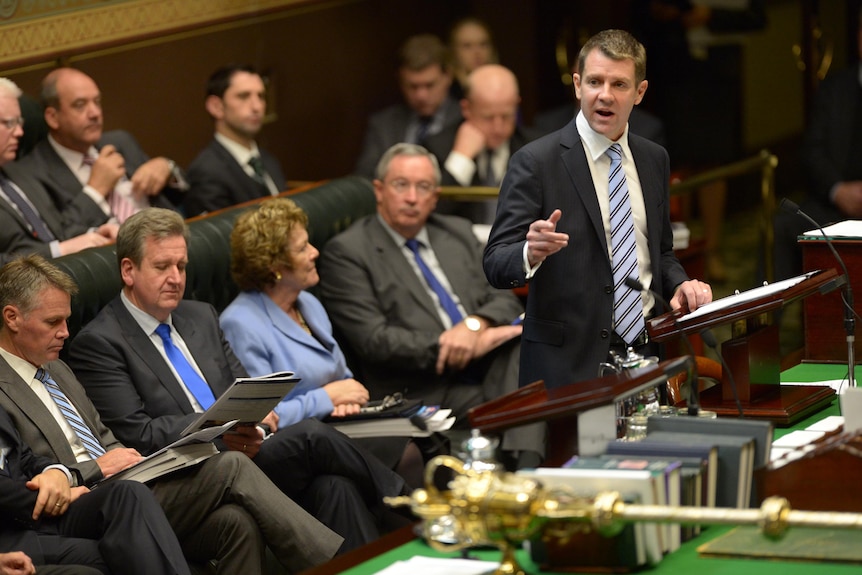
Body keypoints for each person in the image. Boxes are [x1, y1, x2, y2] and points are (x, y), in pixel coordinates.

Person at [66, 208, 411, 552]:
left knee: (335, 487)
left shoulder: (199, 315)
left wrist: (258, 421)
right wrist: (220, 428)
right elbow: (137, 435)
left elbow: (246, 389)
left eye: (181, 266)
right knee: (310, 436)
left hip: (248, 449)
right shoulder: (101, 342)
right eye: (162, 267)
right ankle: (411, 505)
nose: (176, 278)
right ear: (128, 270)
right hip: (190, 473)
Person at [0, 254, 342, 573]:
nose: (65, 332)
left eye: (67, 320)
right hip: (81, 502)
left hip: (129, 482)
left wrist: (131, 460)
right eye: (53, 322)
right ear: (12, 317)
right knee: (230, 464)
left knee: (235, 522)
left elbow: (104, 438)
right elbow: (26, 473)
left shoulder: (56, 367)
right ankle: (341, 564)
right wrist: (92, 469)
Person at [482, 29, 712, 391]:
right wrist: (530, 252)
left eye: (619, 84)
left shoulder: (654, 159)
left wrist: (681, 283)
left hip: (646, 356)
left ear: (639, 93)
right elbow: (495, 263)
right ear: (577, 85)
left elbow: (660, 252)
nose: (604, 95)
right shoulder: (535, 162)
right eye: (594, 81)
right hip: (568, 368)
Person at [319, 143, 543, 469]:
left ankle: (525, 466)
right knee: (534, 385)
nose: (412, 197)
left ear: (434, 196)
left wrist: (474, 327)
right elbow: (375, 340)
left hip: (489, 364)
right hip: (424, 384)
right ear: (379, 190)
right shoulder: (348, 252)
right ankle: (527, 467)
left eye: (422, 187)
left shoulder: (455, 232)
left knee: (530, 350)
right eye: (401, 185)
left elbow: (501, 296)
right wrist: (452, 343)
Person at [220, 197, 426, 488]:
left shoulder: (308, 302)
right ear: (275, 266)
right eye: (303, 248)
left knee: (425, 434)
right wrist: (327, 398)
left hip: (338, 424)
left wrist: (344, 398)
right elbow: (266, 418)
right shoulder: (241, 323)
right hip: (294, 444)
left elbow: (342, 377)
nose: (315, 252)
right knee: (406, 455)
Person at [0, 403, 190, 575]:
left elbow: (22, 455)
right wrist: (60, 495)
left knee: (127, 494)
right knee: (114, 556)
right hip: (12, 532)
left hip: (42, 508)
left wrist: (56, 473)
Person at [17, 67, 184, 228]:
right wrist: (95, 191)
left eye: (97, 102)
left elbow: (182, 197)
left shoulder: (121, 142)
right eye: (80, 104)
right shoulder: (33, 173)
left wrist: (167, 169)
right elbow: (60, 237)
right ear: (53, 117)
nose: (95, 113)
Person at [774, 6, 862, 281]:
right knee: (783, 225)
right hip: (834, 203)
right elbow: (813, 151)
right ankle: (763, 323)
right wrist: (838, 190)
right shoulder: (834, 88)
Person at [0, 79, 116, 265]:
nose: (20, 132)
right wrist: (59, 250)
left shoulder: (18, 172)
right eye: (9, 123)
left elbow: (61, 229)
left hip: (68, 270)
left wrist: (95, 234)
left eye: (19, 122)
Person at [424, 64, 537, 224]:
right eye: (488, 117)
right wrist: (461, 159)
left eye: (506, 116)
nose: (498, 129)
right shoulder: (438, 146)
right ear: (466, 108)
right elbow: (429, 213)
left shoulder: (537, 148)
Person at [185, 64, 287, 217]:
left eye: (261, 96)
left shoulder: (267, 160)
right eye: (244, 96)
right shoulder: (206, 173)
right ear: (216, 107)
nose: (257, 106)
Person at [354, 34, 462, 178]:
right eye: (413, 86)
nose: (421, 96)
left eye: (429, 85)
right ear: (400, 80)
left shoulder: (466, 120)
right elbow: (364, 180)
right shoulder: (383, 124)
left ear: (448, 76)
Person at [447, 17, 498, 101]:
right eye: (467, 46)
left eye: (483, 44)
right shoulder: (447, 94)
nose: (477, 52)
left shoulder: (502, 88)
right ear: (453, 51)